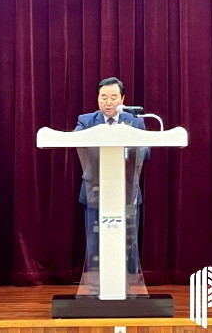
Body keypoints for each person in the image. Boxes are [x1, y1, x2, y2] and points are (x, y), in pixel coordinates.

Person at [74, 77, 149, 275]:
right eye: (103, 97)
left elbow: (147, 151)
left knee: (127, 246)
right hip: (95, 193)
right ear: (97, 98)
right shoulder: (86, 121)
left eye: (113, 97)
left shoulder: (135, 121)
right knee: (95, 245)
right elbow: (75, 141)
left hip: (126, 192)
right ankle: (96, 285)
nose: (108, 102)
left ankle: (128, 284)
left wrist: (126, 148)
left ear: (123, 99)